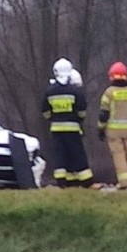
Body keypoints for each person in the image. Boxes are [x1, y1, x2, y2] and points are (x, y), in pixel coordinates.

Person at [41, 58, 95, 187]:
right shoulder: (75, 91)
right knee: (77, 154)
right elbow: (82, 110)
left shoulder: (50, 91)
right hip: (72, 128)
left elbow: (45, 111)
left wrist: (52, 119)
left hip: (56, 130)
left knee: (60, 155)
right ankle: (86, 181)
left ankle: (62, 181)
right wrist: (78, 119)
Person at [97, 61, 127, 190]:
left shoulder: (109, 93)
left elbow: (104, 114)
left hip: (113, 131)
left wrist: (101, 128)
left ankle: (123, 182)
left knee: (119, 155)